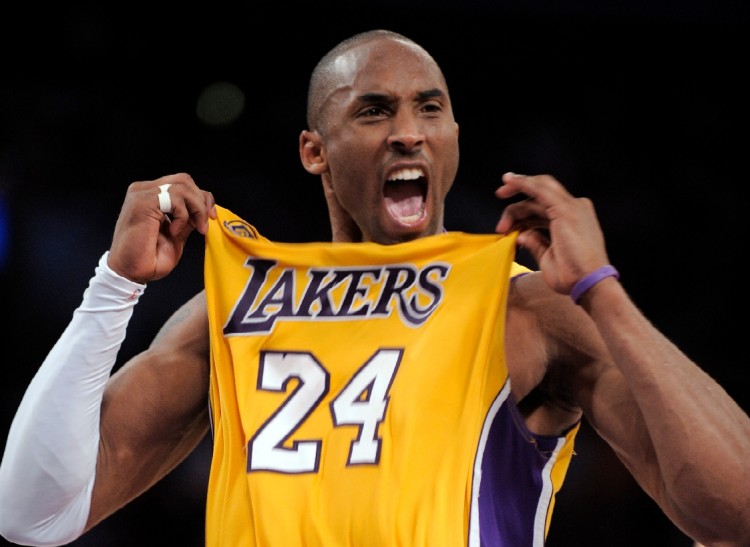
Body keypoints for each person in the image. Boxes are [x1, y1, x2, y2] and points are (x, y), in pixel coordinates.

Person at [0, 28, 748, 547]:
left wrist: (602, 294)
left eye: (431, 108)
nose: (408, 131)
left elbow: (735, 513)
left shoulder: (523, 308)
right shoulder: (236, 310)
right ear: (314, 152)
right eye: (374, 110)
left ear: (454, 138)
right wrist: (113, 286)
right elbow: (32, 515)